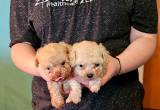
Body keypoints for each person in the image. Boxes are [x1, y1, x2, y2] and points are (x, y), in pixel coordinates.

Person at [9, 0, 158, 109]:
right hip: (52, 102)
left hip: (117, 100)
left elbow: (145, 37)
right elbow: (21, 43)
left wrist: (117, 65)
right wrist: (43, 70)